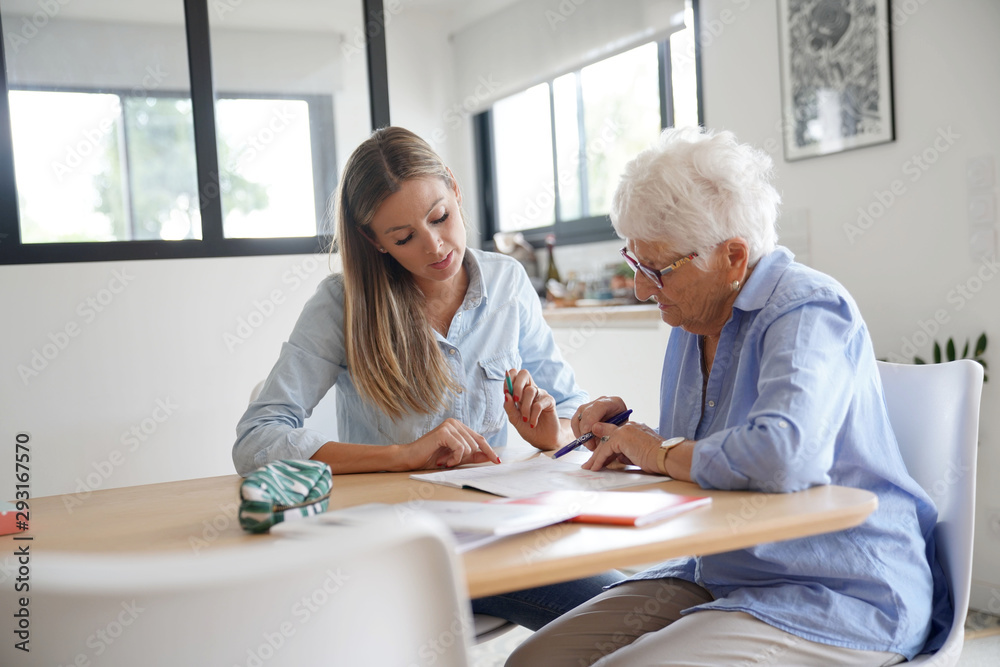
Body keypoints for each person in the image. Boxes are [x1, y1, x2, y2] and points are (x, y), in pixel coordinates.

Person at [507, 127, 949, 665]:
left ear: (733, 257)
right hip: (720, 570)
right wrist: (629, 438)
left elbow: (780, 456)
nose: (643, 289)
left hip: (839, 585)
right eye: (635, 263)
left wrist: (659, 452)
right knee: (532, 661)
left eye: (657, 270)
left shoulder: (808, 308)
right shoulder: (690, 319)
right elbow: (707, 454)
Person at [233, 125, 619, 629]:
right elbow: (257, 438)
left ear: (455, 190)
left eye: (441, 216)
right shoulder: (341, 305)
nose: (436, 246)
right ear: (375, 241)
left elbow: (573, 408)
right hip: (391, 550)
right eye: (404, 237)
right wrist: (400, 457)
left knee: (626, 608)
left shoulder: (506, 282)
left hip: (496, 540)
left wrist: (552, 432)